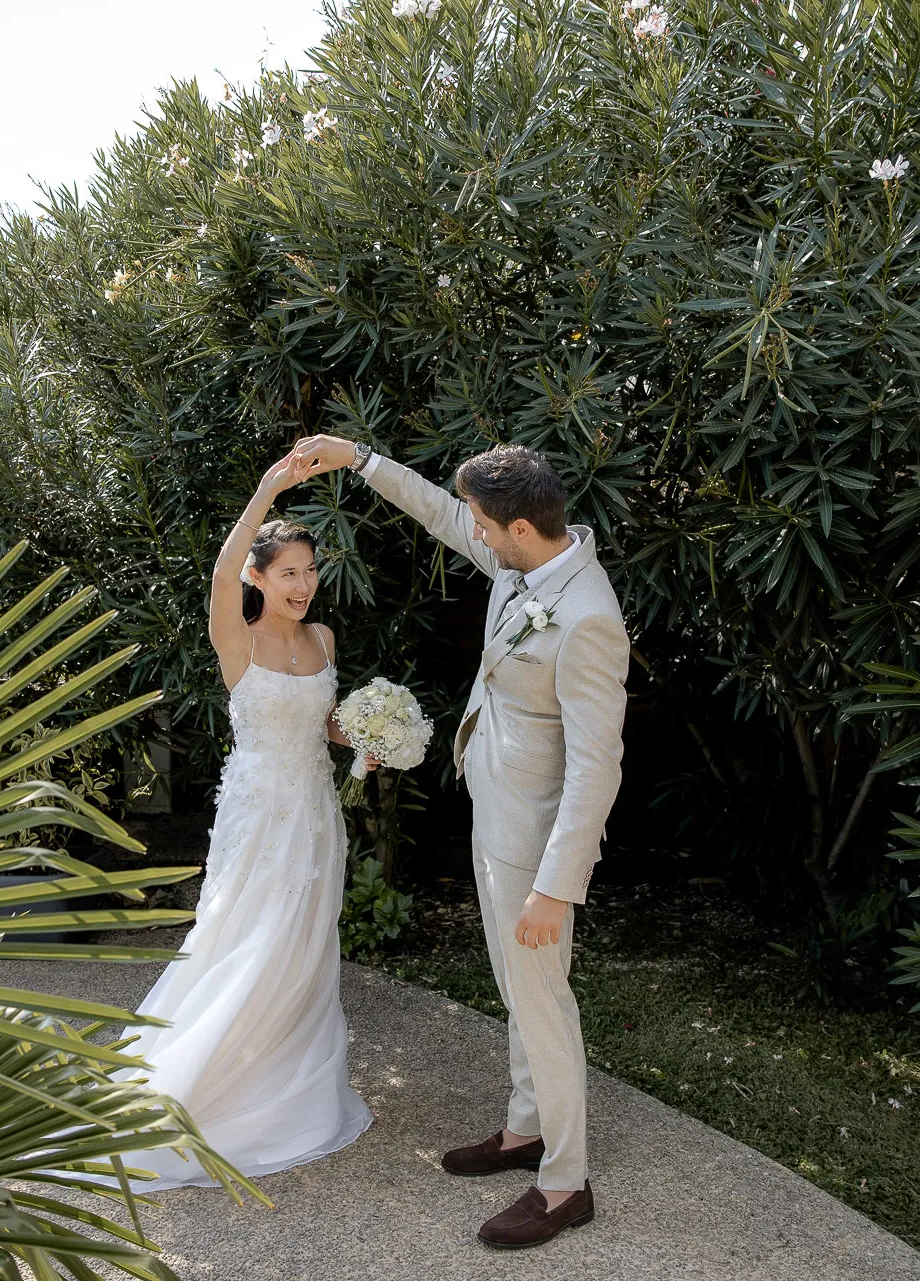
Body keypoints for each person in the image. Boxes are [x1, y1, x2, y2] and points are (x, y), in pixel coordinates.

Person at [290, 434, 629, 1249]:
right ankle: (526, 1128)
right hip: (496, 805)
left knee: (542, 999)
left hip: (536, 844)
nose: (469, 530)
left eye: (482, 521)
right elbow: (442, 512)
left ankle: (565, 1181)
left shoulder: (587, 618)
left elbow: (597, 767)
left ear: (516, 526)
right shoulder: (523, 564)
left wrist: (556, 884)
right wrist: (360, 459)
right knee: (519, 990)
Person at [119, 453, 374, 1188]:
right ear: (259, 579)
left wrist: (364, 737)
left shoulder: (324, 639)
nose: (302, 584)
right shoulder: (238, 639)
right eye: (287, 572)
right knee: (244, 941)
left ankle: (287, 1083)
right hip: (259, 817)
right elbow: (218, 574)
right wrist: (267, 488)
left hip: (317, 815)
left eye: (309, 569)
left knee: (302, 946)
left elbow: (324, 722)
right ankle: (193, 1086)